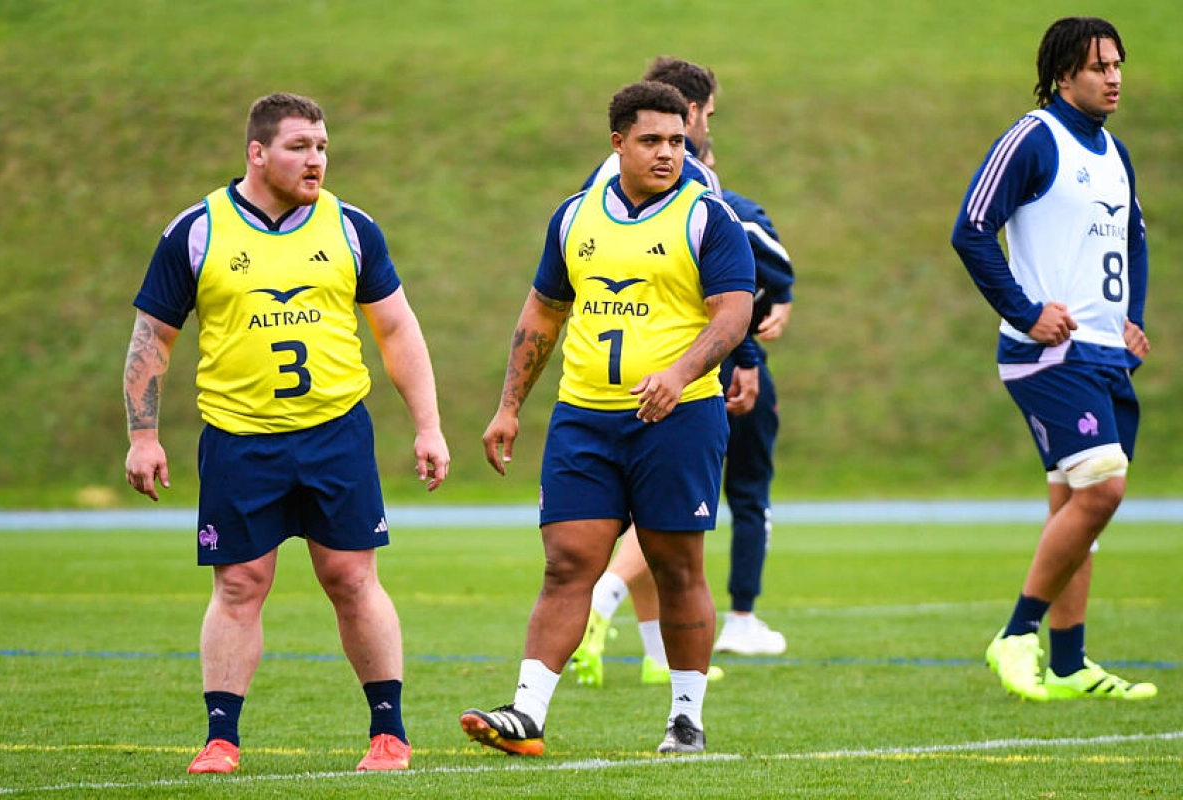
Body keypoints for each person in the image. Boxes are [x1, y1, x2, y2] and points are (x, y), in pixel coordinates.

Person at [123, 92, 451, 773]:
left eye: (323, 147)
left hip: (336, 434)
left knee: (352, 578)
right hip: (240, 438)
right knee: (240, 583)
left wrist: (429, 425)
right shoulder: (197, 230)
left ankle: (388, 734)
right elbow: (151, 338)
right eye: (300, 147)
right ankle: (221, 739)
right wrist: (144, 435)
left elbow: (396, 329)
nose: (317, 160)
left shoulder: (351, 228)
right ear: (257, 152)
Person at [460, 80, 755, 756]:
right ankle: (527, 712)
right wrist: (509, 407)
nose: (668, 153)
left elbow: (734, 315)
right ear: (617, 142)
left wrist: (679, 377)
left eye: (678, 141)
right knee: (567, 564)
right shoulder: (574, 218)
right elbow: (543, 312)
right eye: (652, 140)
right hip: (585, 420)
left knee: (676, 567)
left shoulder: (709, 218)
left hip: (680, 421)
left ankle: (686, 718)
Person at [951, 17, 1156, 703]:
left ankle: (1069, 665)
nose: (1115, 77)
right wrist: (1024, 311)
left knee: (1078, 504)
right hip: (1050, 356)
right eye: (1100, 66)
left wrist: (1132, 318)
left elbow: (1134, 240)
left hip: (1104, 355)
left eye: (1119, 64)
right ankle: (1017, 634)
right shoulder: (1034, 137)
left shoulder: (1115, 153)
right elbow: (971, 229)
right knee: (1103, 486)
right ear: (1064, 73)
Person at [570, 70, 793, 690]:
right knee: (672, 525)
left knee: (647, 516)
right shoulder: (692, 178)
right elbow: (736, 279)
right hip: (676, 376)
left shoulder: (599, 185)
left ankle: (656, 654)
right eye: (708, 117)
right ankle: (607, 599)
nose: (695, 135)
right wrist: (743, 354)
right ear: (690, 111)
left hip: (602, 382)